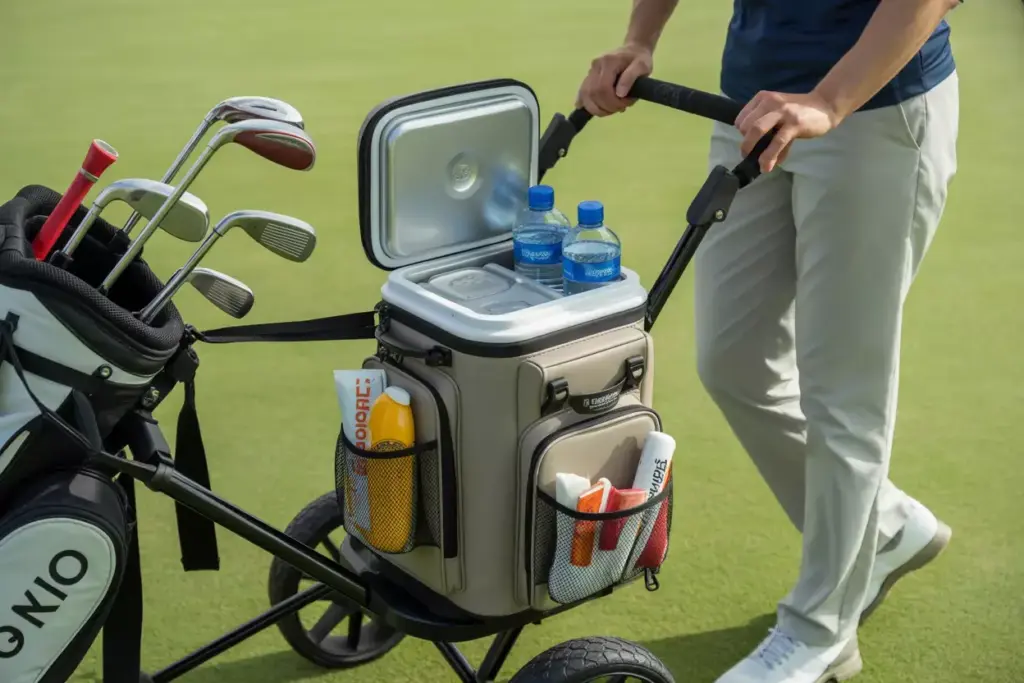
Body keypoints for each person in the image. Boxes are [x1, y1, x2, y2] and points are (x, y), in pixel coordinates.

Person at [577, 1, 962, 681]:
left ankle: (821, 631)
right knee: (733, 360)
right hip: (751, 108)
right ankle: (888, 528)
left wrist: (831, 100)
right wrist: (640, 40)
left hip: (874, 113)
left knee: (842, 391)